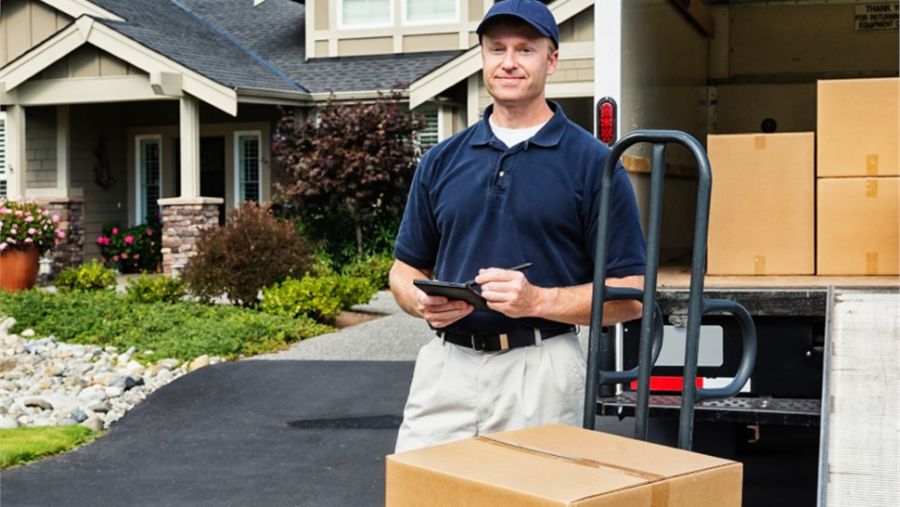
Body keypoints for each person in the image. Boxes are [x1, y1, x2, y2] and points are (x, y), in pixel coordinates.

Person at [389, 0, 646, 453]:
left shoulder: (593, 165)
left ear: (552, 60)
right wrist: (420, 300)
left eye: (525, 49)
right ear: (483, 58)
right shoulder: (441, 160)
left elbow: (631, 295)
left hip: (541, 372)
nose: (508, 62)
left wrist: (538, 300)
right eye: (496, 48)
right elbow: (404, 269)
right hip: (446, 370)